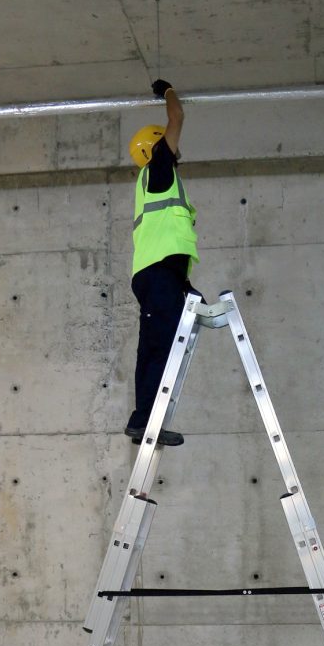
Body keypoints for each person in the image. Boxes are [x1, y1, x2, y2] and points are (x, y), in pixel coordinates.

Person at [125, 79, 200, 447]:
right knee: (157, 347)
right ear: (155, 147)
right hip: (157, 275)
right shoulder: (158, 171)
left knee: (164, 343)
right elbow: (178, 116)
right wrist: (169, 90)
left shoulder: (161, 181)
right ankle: (144, 422)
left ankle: (147, 420)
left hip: (166, 275)